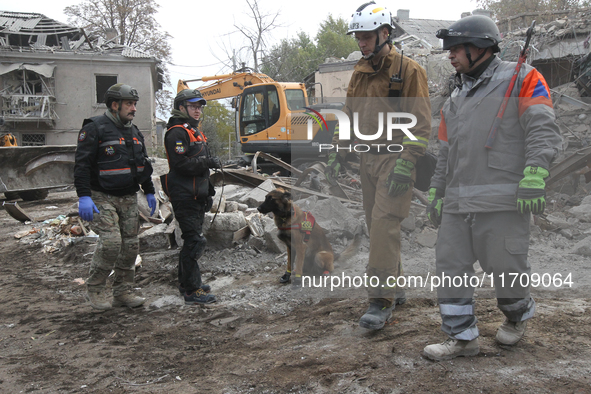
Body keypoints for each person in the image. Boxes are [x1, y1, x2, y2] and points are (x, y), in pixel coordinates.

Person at [423, 15, 562, 361]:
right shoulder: (455, 95)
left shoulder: (523, 77)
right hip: (457, 201)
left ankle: (517, 315)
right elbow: (446, 151)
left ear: (480, 47)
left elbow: (542, 128)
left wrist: (534, 173)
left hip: (502, 200)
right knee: (450, 268)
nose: (450, 55)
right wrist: (437, 191)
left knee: (506, 268)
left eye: (456, 48)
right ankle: (462, 338)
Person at [324, 1, 431, 330]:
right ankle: (396, 286)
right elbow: (348, 114)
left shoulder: (408, 71)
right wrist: (338, 151)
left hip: (395, 160)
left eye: (367, 35)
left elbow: (422, 125)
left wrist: (407, 163)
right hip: (366, 160)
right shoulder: (360, 70)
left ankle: (380, 300)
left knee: (385, 224)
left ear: (385, 32)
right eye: (358, 36)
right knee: (377, 226)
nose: (361, 41)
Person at [74, 83, 157, 310]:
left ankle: (122, 292)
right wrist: (84, 196)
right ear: (114, 105)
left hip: (128, 196)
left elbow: (142, 164)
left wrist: (149, 190)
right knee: (111, 243)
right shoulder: (94, 128)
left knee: (130, 246)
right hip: (101, 196)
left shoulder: (134, 131)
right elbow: (81, 165)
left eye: (135, 104)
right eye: (129, 104)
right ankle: (96, 288)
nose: (134, 109)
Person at [161, 89, 221, 305]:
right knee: (195, 242)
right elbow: (181, 165)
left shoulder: (194, 131)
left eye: (199, 107)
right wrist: (208, 162)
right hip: (184, 196)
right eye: (193, 106)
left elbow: (199, 169)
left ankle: (185, 282)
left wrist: (208, 193)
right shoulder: (177, 132)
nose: (198, 110)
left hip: (196, 195)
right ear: (181, 108)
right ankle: (192, 291)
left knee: (190, 241)